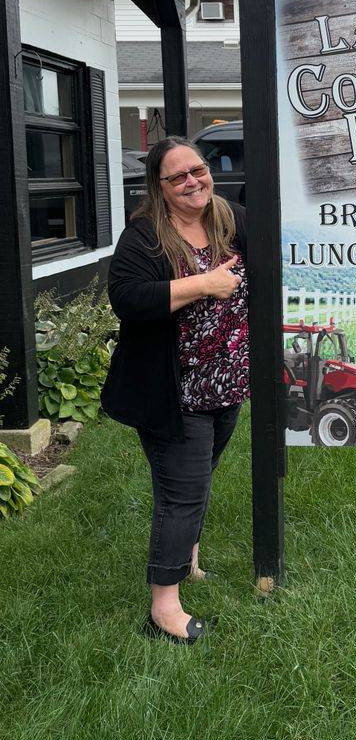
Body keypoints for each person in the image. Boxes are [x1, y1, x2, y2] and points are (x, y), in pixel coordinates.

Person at [102, 137, 248, 644]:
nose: (192, 182)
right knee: (181, 493)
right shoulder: (145, 235)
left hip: (226, 381)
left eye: (198, 170)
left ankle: (188, 559)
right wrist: (203, 284)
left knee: (199, 477)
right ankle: (164, 606)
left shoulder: (229, 218)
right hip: (173, 390)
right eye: (177, 177)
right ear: (159, 187)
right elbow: (127, 298)